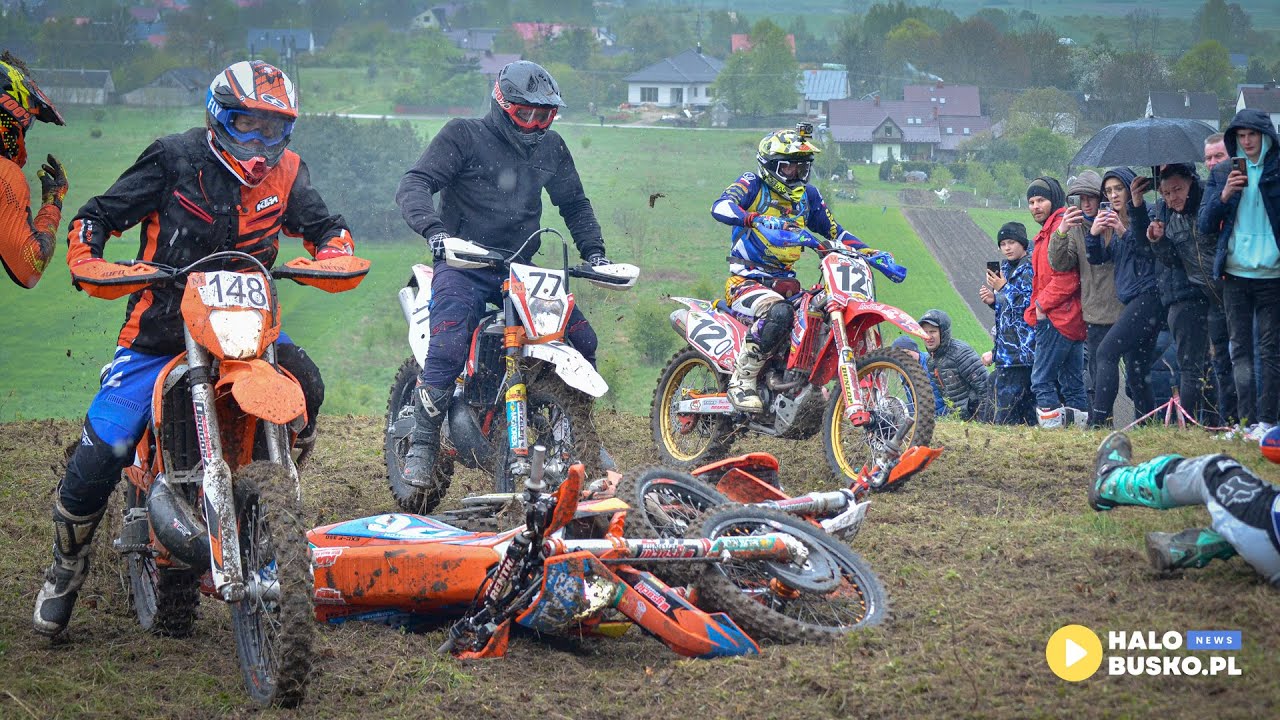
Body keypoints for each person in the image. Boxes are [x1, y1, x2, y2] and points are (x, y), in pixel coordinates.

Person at [34, 61, 354, 639]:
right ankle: (66, 564)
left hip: (249, 332)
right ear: (216, 116)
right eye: (245, 125)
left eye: (272, 130)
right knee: (107, 444)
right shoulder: (173, 158)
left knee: (308, 390)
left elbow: (327, 227)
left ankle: (257, 503)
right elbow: (96, 217)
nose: (259, 143)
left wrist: (332, 254)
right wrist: (92, 258)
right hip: (159, 329)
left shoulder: (287, 173)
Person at [396, 60, 611, 484]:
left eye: (544, 116)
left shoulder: (553, 148)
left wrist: (596, 253)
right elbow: (414, 183)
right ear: (501, 104)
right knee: (450, 343)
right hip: (463, 262)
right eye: (525, 114)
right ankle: (423, 441)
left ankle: (575, 431)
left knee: (583, 338)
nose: (534, 126)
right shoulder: (463, 135)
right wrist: (436, 233)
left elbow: (575, 204)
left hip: (520, 267)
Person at [710, 124, 903, 412]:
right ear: (771, 166)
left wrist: (872, 253)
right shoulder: (753, 184)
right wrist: (754, 219)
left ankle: (806, 383)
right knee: (778, 312)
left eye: (802, 169)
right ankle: (743, 379)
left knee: (818, 313)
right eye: (789, 169)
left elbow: (835, 232)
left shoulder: (808, 196)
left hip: (787, 284)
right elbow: (721, 207)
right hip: (747, 281)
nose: (796, 175)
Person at [1087, 429, 1280, 584]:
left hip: (1267, 531)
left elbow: (1271, 442)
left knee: (1214, 469)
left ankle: (1111, 483)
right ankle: (1185, 547)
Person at [1198, 108, 1280, 441]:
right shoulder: (1221, 173)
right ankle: (1244, 424)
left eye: (1253, 136)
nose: (1246, 142)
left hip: (1273, 275)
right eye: (1241, 136)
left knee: (1271, 351)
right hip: (1234, 274)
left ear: (1266, 136)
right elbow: (1204, 224)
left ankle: (1267, 422)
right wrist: (1224, 195)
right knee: (1239, 350)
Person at [1132, 164, 1234, 425]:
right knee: (1194, 368)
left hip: (1229, 289)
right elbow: (1174, 260)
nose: (1171, 197)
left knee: (1227, 361)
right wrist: (1159, 240)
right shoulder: (1167, 214)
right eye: (1165, 193)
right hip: (1196, 294)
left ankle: (1229, 422)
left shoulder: (1209, 205)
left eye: (1177, 190)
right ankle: (1193, 426)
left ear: (1191, 183)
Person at [1083, 167, 1164, 427]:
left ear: (1130, 189)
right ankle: (1147, 426)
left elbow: (1147, 250)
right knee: (1137, 371)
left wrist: (1122, 230)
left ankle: (1098, 423)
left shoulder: (1146, 214)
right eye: (1108, 191)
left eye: (1118, 189)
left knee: (1106, 352)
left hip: (1149, 296)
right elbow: (1098, 259)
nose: (1114, 195)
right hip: (1133, 300)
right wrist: (1093, 235)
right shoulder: (1114, 220)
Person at [1048, 171, 1123, 423]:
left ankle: (1144, 421)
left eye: (1091, 197)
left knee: (1134, 376)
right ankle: (1103, 422)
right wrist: (1061, 231)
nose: (1087, 203)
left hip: (1124, 307)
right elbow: (1060, 263)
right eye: (1081, 198)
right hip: (1094, 311)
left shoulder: (1119, 220)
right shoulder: (1077, 229)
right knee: (1098, 373)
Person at [1024, 176, 1089, 428]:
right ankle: (1076, 435)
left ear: (1054, 199)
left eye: (1041, 200)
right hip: (1073, 319)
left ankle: (1053, 436)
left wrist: (1040, 306)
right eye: (1031, 201)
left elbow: (1067, 279)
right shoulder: (1052, 228)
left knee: (1041, 380)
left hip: (1056, 317)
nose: (1035, 206)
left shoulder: (1060, 228)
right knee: (1072, 383)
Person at [0, 51, 67, 289]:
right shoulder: (4, 175)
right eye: (22, 130)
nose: (24, 152)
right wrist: (53, 202)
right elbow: (31, 266)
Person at [979, 221, 1036, 426]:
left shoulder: (1030, 269)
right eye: (1003, 244)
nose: (1007, 248)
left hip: (1023, 353)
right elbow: (1009, 310)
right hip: (1006, 352)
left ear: (1022, 243)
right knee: (1007, 412)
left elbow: (1027, 307)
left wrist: (1002, 288)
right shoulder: (1005, 269)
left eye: (1011, 242)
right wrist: (994, 302)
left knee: (1007, 414)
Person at [919, 308, 990, 421]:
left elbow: (985, 388)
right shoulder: (931, 361)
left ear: (943, 332)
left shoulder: (961, 352)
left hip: (976, 418)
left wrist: (983, 421)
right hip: (959, 420)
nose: (928, 337)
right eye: (924, 332)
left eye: (932, 331)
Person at [892, 335, 945, 418]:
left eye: (906, 353)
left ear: (915, 350)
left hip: (944, 413)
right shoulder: (904, 373)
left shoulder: (932, 362)